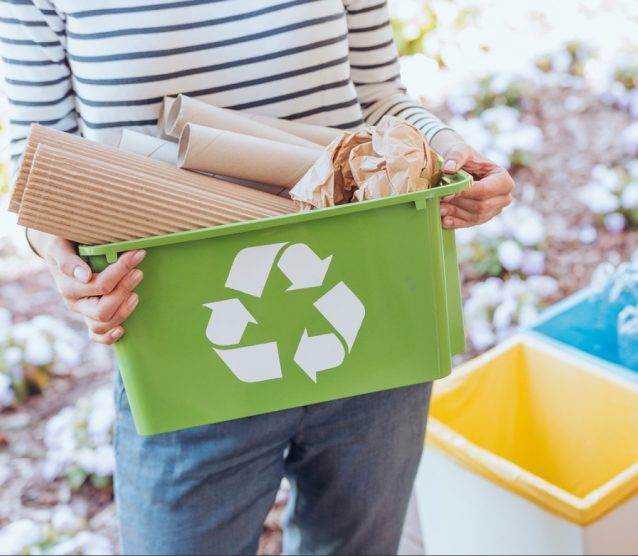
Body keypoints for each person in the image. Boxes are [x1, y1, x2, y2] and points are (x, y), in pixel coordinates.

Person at [0, 1, 514, 553]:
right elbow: (41, 162)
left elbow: (378, 96)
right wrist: (63, 261)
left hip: (367, 311)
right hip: (179, 345)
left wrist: (449, 151)